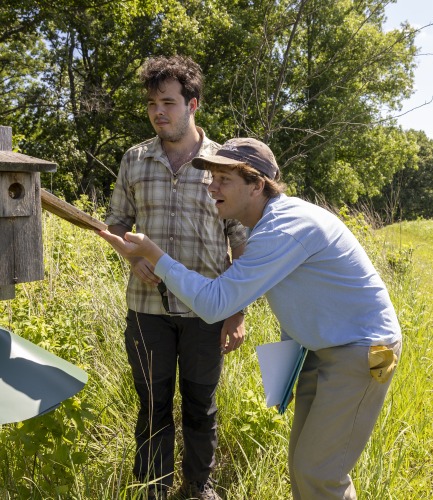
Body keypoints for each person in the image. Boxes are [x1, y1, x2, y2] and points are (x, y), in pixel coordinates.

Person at [100, 137, 402, 500]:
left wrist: (157, 256)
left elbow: (215, 304)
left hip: (360, 353)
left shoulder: (284, 228)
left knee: (319, 472)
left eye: (223, 179)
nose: (211, 187)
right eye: (211, 178)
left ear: (257, 184)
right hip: (322, 349)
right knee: (306, 468)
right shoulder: (270, 225)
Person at [105, 56, 247, 500]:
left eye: (168, 102)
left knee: (201, 406)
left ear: (193, 104)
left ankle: (199, 488)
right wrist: (131, 257)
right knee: (152, 406)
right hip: (147, 309)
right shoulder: (134, 159)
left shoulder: (223, 164)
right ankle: (153, 489)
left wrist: (236, 311)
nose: (158, 112)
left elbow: (241, 241)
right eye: (151, 103)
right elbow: (113, 226)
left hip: (207, 309)